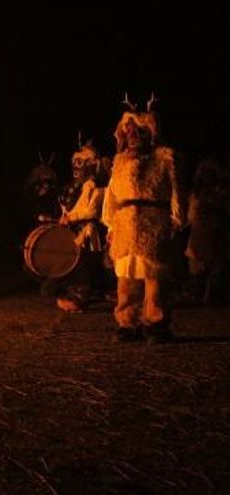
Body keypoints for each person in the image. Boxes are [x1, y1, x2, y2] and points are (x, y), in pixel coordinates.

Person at [102, 97, 183, 343]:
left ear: (151, 133)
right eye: (130, 132)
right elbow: (111, 196)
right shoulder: (119, 162)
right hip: (125, 224)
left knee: (154, 278)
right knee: (126, 279)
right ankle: (128, 322)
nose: (134, 136)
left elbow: (175, 192)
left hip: (153, 224)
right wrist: (110, 225)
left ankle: (155, 324)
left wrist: (174, 221)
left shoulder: (164, 159)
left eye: (140, 131)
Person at [55, 142, 108, 312]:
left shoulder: (96, 184)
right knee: (83, 261)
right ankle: (90, 291)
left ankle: (82, 298)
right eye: (75, 162)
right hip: (80, 229)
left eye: (80, 162)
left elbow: (91, 211)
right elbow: (78, 207)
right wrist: (67, 216)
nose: (76, 167)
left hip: (91, 230)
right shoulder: (83, 185)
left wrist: (70, 217)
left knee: (87, 261)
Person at [185, 157, 229, 305]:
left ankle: (206, 295)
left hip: (211, 228)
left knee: (210, 263)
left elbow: (191, 213)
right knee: (206, 263)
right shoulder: (204, 193)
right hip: (205, 229)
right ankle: (203, 295)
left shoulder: (214, 193)